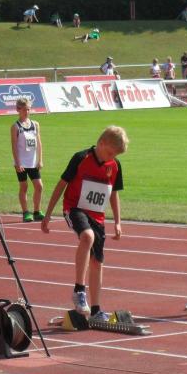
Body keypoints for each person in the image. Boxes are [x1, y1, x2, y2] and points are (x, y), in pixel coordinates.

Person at [41, 126, 129, 318]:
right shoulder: (81, 158)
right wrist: (48, 214)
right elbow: (61, 185)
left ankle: (96, 310)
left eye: (115, 155)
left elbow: (113, 193)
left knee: (97, 261)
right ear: (102, 143)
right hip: (74, 208)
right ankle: (79, 290)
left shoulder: (114, 165)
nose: (112, 157)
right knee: (87, 237)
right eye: (110, 153)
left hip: (97, 215)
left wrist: (118, 221)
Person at [10, 98, 44, 222]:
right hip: (21, 162)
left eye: (29, 109)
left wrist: (40, 160)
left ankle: (37, 211)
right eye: (24, 110)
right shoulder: (15, 127)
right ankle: (25, 212)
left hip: (33, 162)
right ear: (18, 110)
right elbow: (14, 146)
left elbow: (39, 143)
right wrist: (18, 163)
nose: (27, 112)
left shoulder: (35, 124)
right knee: (24, 187)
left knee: (39, 186)